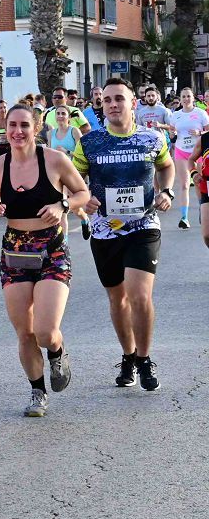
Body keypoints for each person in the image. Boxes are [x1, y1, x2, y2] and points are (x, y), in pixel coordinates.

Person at [0, 105, 90, 417]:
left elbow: (83, 193)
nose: (17, 131)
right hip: (14, 251)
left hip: (52, 248)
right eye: (11, 124)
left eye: (24, 125)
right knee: (24, 332)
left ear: (36, 126)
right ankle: (37, 392)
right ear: (4, 126)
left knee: (45, 330)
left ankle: (56, 350)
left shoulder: (54, 160)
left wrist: (63, 205)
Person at [72, 77, 174, 391]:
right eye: (108, 100)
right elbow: (73, 176)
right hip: (104, 230)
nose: (114, 105)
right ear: (101, 105)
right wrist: (82, 195)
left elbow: (166, 166)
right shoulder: (90, 142)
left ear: (133, 103)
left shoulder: (152, 138)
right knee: (118, 299)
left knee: (139, 295)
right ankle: (128, 355)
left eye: (120, 99)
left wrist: (167, 190)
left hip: (144, 226)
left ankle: (144, 359)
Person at [165, 87, 209, 229]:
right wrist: (172, 135)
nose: (185, 99)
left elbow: (208, 131)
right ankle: (184, 218)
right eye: (183, 97)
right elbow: (172, 133)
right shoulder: (176, 115)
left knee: (198, 182)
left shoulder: (201, 113)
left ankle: (203, 210)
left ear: (193, 98)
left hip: (198, 152)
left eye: (188, 96)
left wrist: (199, 132)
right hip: (181, 151)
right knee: (184, 185)